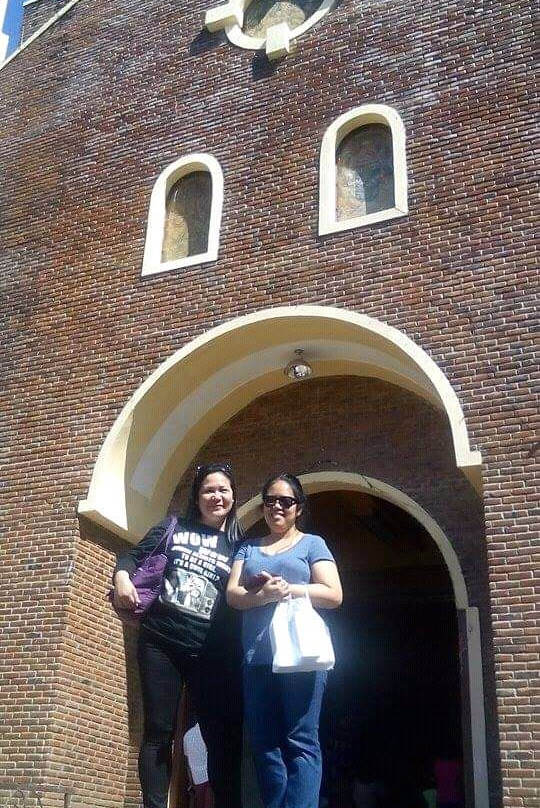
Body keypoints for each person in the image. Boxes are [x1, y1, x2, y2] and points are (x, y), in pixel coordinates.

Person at [112, 462, 244, 808]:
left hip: (209, 650)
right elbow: (132, 555)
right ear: (197, 496)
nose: (216, 496)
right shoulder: (174, 527)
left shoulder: (240, 548)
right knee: (159, 731)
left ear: (233, 496)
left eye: (223, 490)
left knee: (219, 734)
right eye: (208, 490)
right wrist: (123, 578)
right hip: (161, 641)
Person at [227, 473, 343, 808]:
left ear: (299, 508)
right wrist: (264, 595)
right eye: (270, 500)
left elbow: (333, 594)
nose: (277, 506)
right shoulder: (248, 547)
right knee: (264, 743)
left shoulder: (312, 544)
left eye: (286, 501)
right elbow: (233, 595)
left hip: (299, 656)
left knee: (301, 740)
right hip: (257, 656)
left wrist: (288, 589)